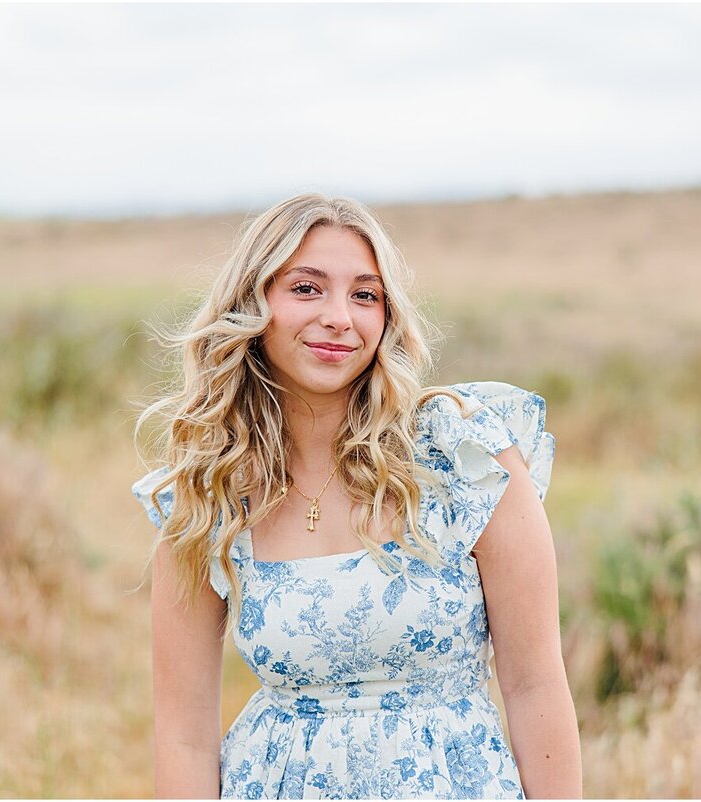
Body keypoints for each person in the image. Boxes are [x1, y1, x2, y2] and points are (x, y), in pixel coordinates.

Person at [131, 193, 582, 799]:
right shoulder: (214, 494)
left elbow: (535, 684)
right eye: (306, 288)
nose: (340, 317)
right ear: (252, 305)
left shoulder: (463, 456)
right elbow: (184, 734)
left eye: (365, 294)